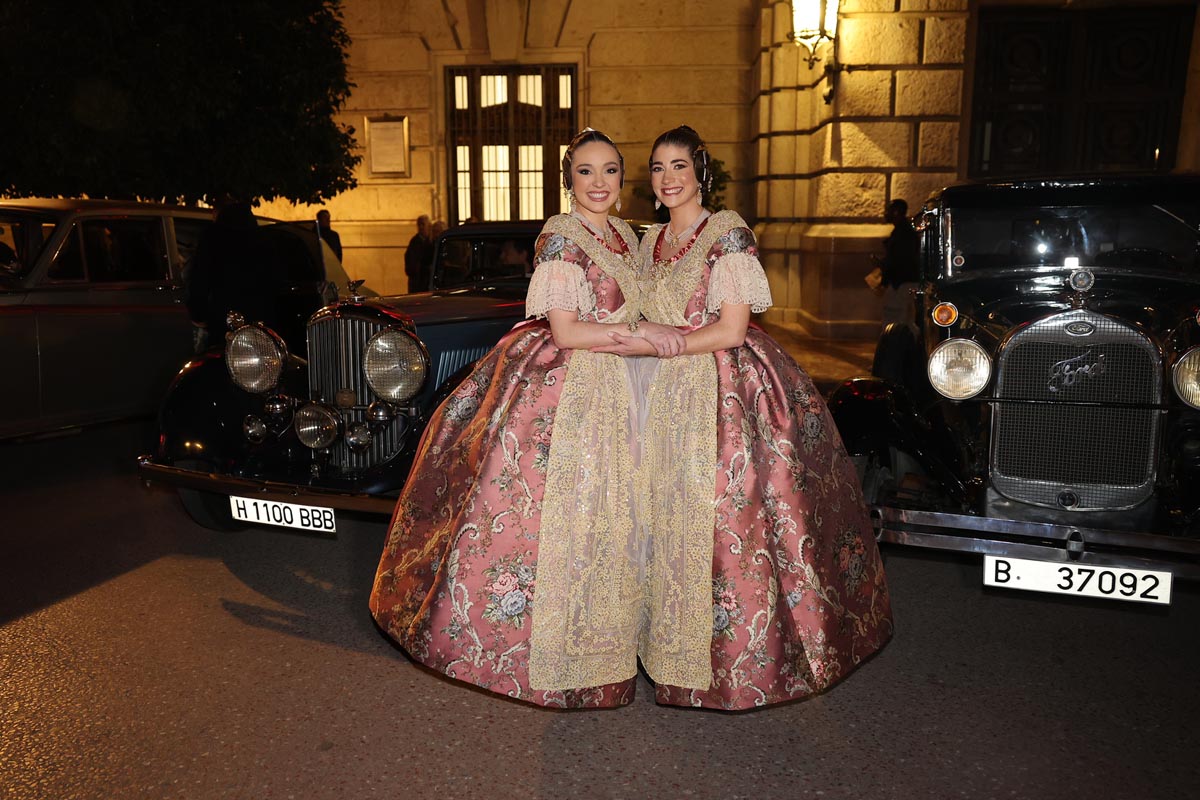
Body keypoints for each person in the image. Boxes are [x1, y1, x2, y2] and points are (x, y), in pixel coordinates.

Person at [369, 129, 685, 708]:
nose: (598, 183)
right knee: (573, 513)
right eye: (585, 172)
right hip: (581, 385)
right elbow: (566, 331)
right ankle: (569, 655)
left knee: (637, 511)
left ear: (623, 178)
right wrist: (643, 334)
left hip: (636, 384)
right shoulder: (561, 238)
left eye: (610, 171)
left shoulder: (626, 235)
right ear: (568, 179)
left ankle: (633, 634)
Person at [595, 125, 893, 710]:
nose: (669, 177)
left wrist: (657, 343)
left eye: (680, 165)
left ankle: (728, 663)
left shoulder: (728, 233)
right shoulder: (647, 241)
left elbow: (732, 330)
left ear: (701, 173)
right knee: (650, 520)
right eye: (658, 168)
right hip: (649, 392)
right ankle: (650, 646)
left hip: (718, 386)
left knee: (724, 526)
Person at [185, 200, 287, 352]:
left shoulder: (212, 237)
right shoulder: (264, 239)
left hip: (224, 317)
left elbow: (200, 278)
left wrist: (198, 313)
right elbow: (277, 280)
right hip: (261, 318)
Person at [878, 198, 920, 326]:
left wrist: (884, 276)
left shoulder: (903, 234)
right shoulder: (904, 232)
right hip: (904, 281)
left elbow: (898, 260)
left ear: (896, 212)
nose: (885, 214)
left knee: (894, 319)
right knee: (902, 319)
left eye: (889, 211)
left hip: (900, 283)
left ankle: (895, 344)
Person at [404, 214, 434, 292]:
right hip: (417, 282)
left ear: (429, 226)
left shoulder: (433, 241)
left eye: (423, 224)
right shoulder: (414, 242)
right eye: (419, 225)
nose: (421, 227)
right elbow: (409, 259)